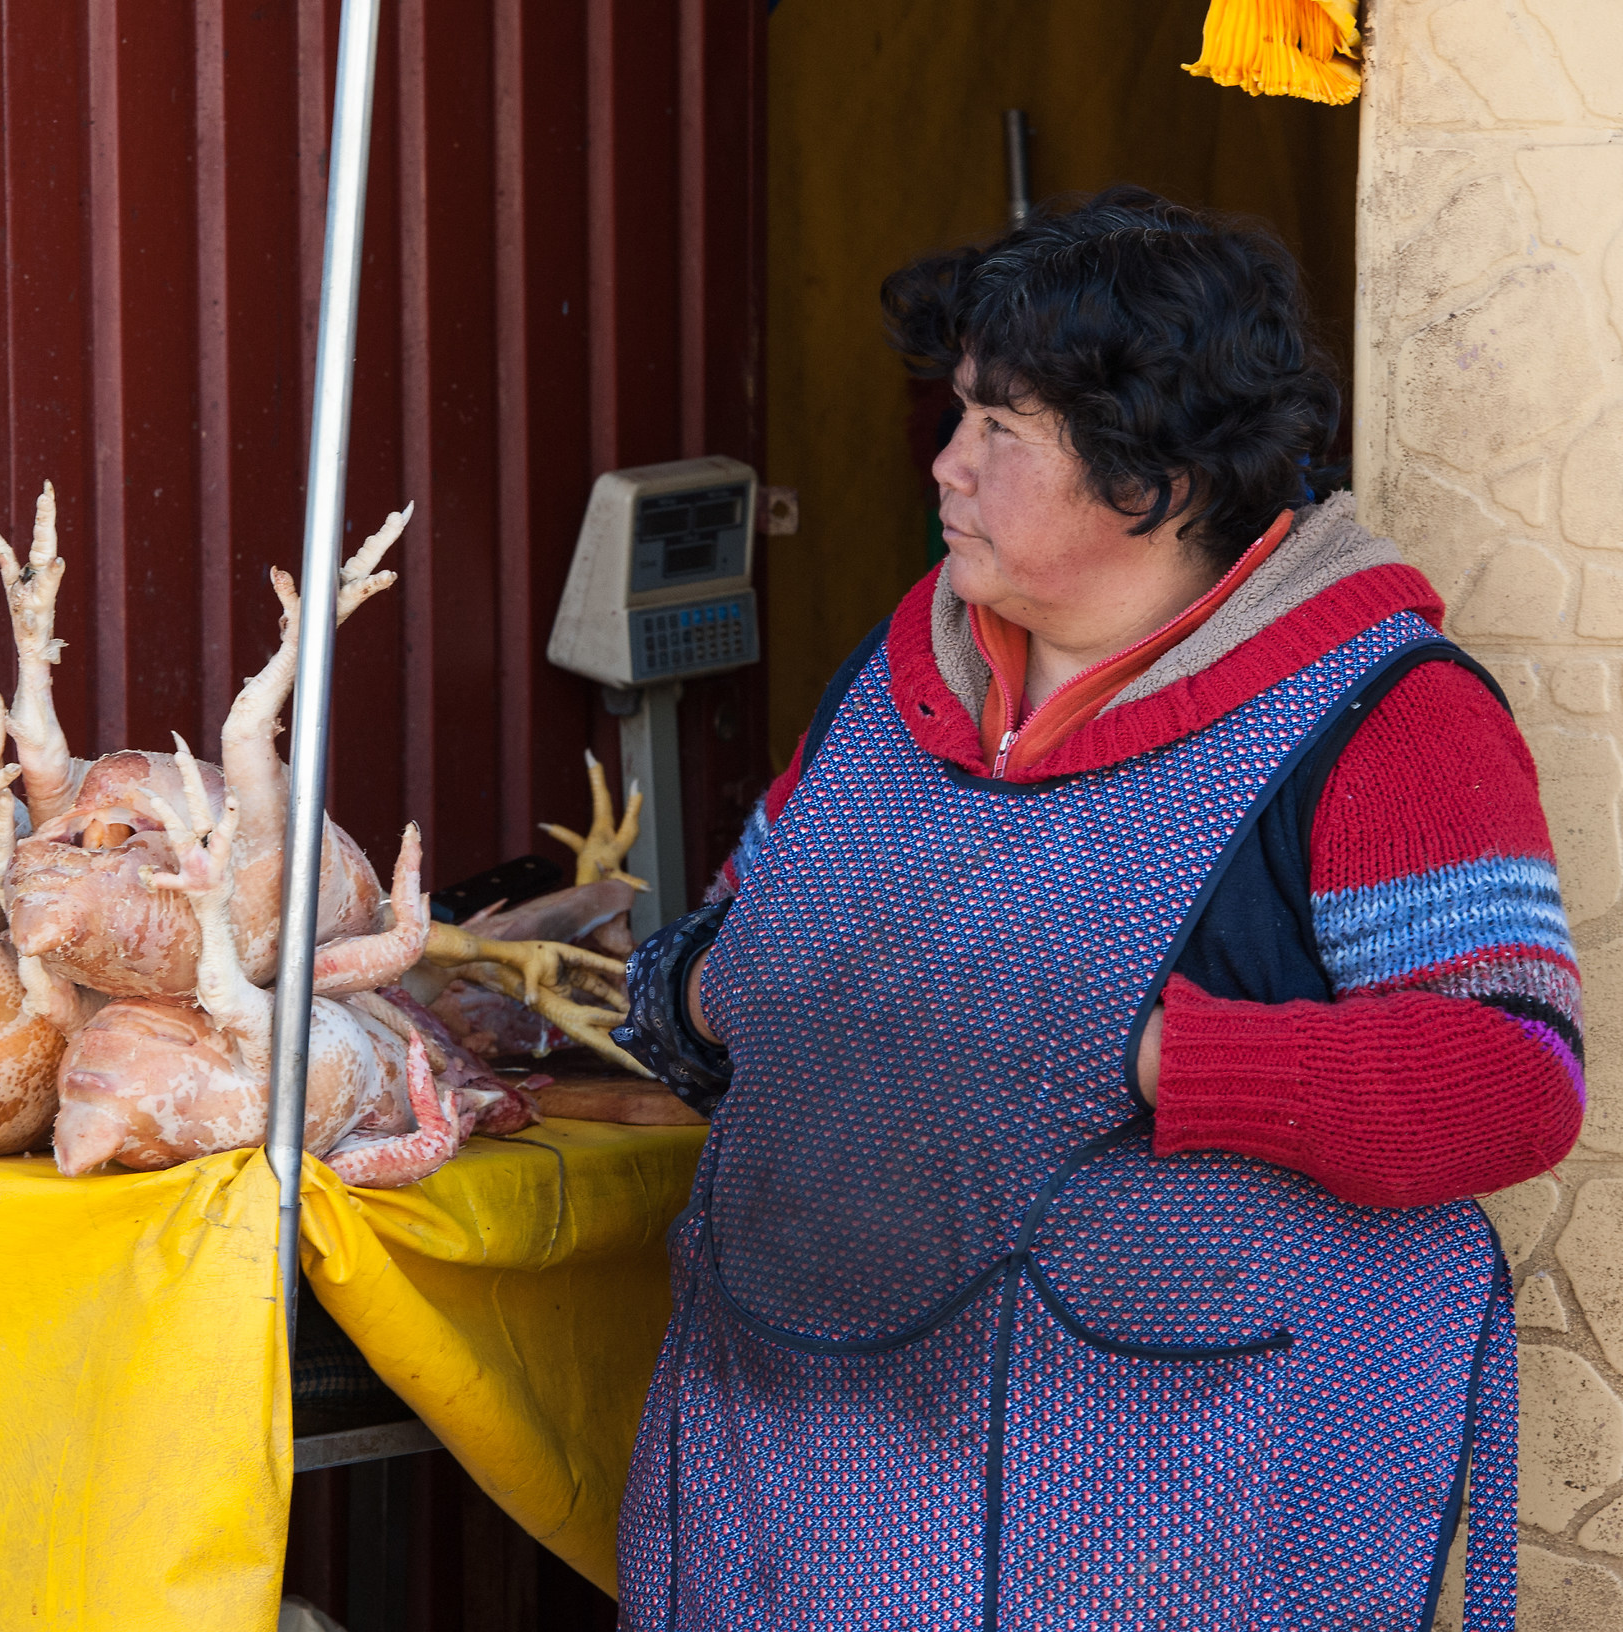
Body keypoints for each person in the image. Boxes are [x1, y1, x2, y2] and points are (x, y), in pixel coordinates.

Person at [613, 187, 1578, 1631]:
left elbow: (1513, 1085)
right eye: (957, 418)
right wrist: (706, 991)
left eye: (1003, 430)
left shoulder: (1382, 716)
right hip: (800, 1480)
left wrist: (1150, 1058)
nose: (945, 467)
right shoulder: (901, 681)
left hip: (1176, 1520)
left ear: (1159, 479)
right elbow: (737, 943)